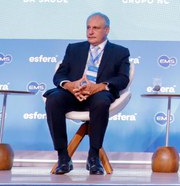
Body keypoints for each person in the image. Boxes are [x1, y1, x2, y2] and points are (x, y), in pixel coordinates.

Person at [43, 13, 131, 175]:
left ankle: (94, 157)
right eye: (88, 27)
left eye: (95, 28)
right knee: (53, 99)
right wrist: (69, 85)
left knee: (101, 102)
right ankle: (63, 157)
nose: (90, 32)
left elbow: (123, 79)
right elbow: (59, 75)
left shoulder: (120, 52)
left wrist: (99, 87)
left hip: (99, 94)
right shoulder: (74, 49)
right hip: (73, 93)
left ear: (106, 30)